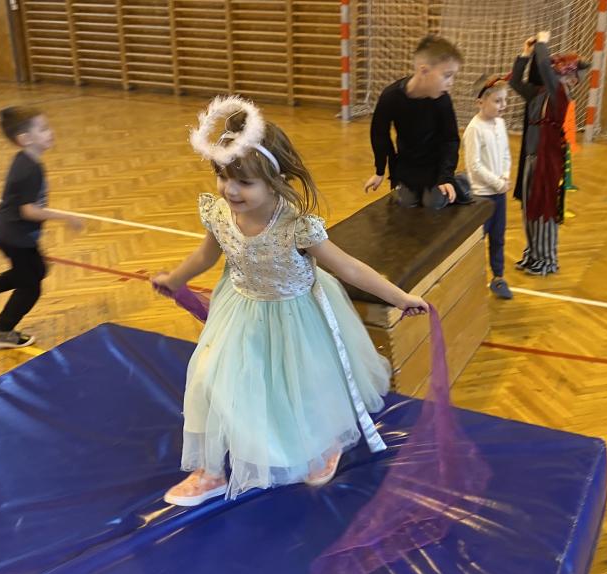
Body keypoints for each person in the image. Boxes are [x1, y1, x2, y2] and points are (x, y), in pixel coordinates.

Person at [152, 96, 428, 506]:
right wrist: (174, 280)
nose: (229, 189)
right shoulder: (220, 214)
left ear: (274, 180)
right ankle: (210, 470)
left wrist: (400, 297)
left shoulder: (295, 227)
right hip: (241, 308)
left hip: (295, 314)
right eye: (222, 176)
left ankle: (324, 443)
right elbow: (206, 256)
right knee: (211, 378)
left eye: (244, 182)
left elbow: (349, 268)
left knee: (301, 385)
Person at [0, 107, 83, 348]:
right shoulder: (30, 169)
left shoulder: (25, 160)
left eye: (48, 127)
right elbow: (28, 210)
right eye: (43, 129)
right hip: (15, 236)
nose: (50, 132)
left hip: (10, 232)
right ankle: (3, 331)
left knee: (36, 269)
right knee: (31, 287)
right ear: (25, 139)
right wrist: (66, 217)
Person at [509, 32, 588, 275]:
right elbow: (515, 82)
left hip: (548, 162)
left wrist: (542, 43)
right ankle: (533, 254)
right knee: (530, 208)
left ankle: (546, 260)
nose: (573, 79)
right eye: (571, 74)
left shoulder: (560, 94)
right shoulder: (540, 93)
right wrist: (525, 54)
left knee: (544, 209)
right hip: (532, 160)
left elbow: (544, 66)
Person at [364, 35, 471, 209]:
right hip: (408, 165)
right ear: (424, 71)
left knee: (433, 203)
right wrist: (380, 170)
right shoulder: (391, 97)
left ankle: (462, 180)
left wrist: (446, 177)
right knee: (407, 203)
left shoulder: (442, 100)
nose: (451, 83)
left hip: (435, 166)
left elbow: (450, 139)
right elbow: (379, 134)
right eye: (447, 76)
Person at [463, 73, 513, 299]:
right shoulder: (474, 129)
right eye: (497, 101)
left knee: (498, 237)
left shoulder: (500, 124)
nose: (503, 105)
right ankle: (469, 279)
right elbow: (474, 166)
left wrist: (505, 176)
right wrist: (497, 182)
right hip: (482, 195)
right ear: (480, 102)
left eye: (505, 100)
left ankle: (498, 277)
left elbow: (505, 154)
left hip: (499, 194)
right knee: (477, 240)